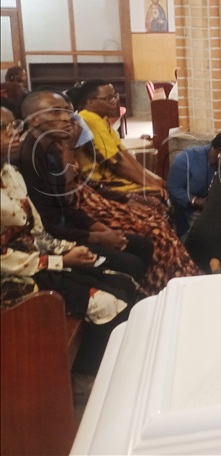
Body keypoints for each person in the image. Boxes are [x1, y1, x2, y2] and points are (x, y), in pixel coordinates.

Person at [0, 106, 138, 374]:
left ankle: (104, 370)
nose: (14, 132)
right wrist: (59, 260)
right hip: (11, 279)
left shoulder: (9, 172)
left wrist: (72, 250)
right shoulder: (27, 161)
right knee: (109, 302)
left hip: (36, 261)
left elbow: (36, 230)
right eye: (4, 129)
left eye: (14, 124)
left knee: (123, 282)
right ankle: (86, 378)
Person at [17, 89, 153, 283]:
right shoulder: (27, 160)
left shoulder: (51, 149)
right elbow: (46, 226)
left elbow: (66, 205)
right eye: (55, 112)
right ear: (33, 120)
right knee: (130, 263)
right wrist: (96, 237)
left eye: (67, 111)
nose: (66, 118)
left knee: (142, 244)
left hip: (70, 225)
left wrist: (102, 230)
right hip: (50, 242)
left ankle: (142, 294)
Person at [58, 115, 203, 296]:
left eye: (68, 112)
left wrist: (150, 183)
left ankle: (182, 276)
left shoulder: (91, 125)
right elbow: (114, 166)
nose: (67, 119)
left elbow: (120, 158)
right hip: (87, 208)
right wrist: (99, 232)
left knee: (156, 215)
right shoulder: (53, 149)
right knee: (153, 224)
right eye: (108, 97)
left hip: (96, 196)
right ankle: (160, 286)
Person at [74, 79, 168, 201]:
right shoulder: (89, 119)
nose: (114, 101)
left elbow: (123, 154)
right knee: (156, 197)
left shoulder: (101, 119)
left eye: (114, 96)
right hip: (100, 183)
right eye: (108, 98)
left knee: (164, 186)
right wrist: (150, 184)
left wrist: (154, 180)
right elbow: (117, 163)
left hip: (113, 177)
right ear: (90, 102)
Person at [166, 131, 221, 239]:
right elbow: (173, 187)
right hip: (191, 212)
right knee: (205, 239)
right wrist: (196, 201)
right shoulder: (187, 159)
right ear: (219, 151)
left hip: (219, 211)